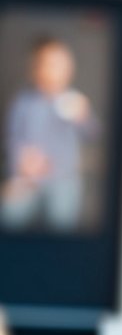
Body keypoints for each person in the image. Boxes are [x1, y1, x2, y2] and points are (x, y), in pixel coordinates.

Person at [1, 36, 99, 232]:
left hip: (64, 179)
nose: (58, 70)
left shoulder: (73, 100)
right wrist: (21, 159)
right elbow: (12, 137)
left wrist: (84, 116)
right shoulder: (24, 102)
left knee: (62, 227)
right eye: (51, 64)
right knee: (9, 216)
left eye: (63, 64)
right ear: (36, 69)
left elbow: (93, 133)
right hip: (28, 179)